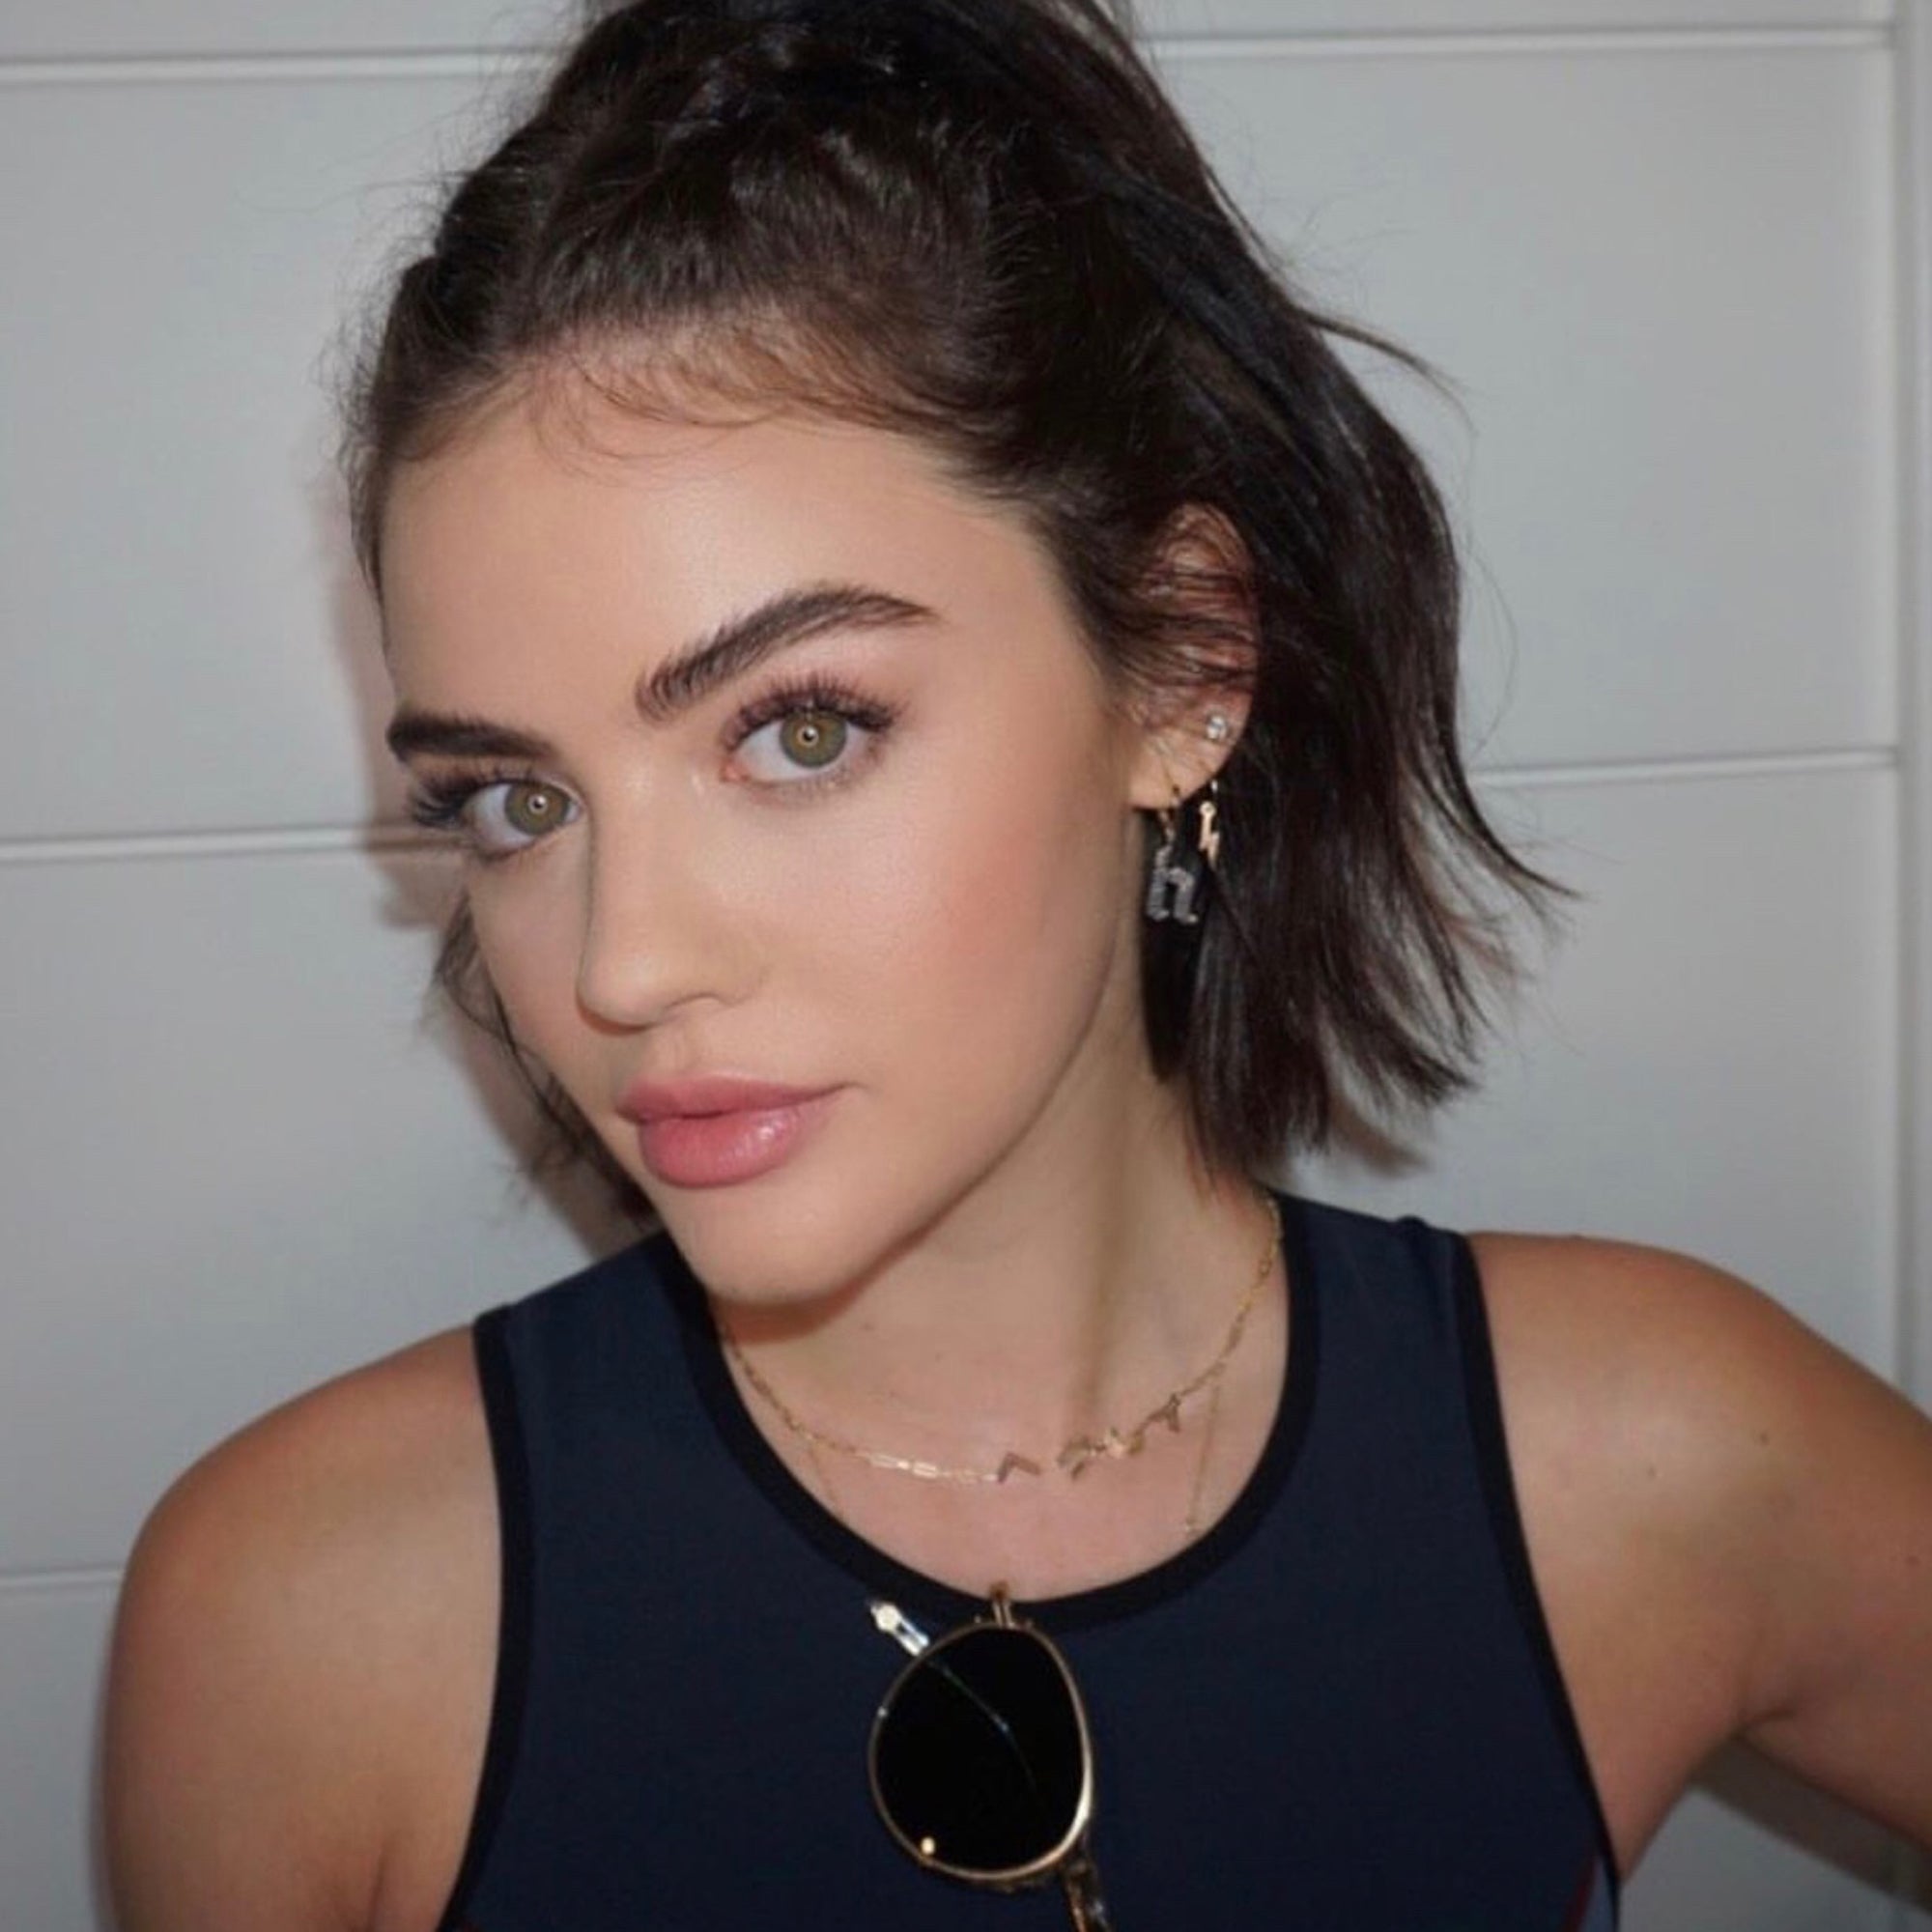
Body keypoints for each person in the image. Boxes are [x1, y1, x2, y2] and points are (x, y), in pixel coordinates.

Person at [102, 1, 1932, 1927]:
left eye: (801, 730)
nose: (622, 965)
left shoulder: (1652, 1462)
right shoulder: (305, 1621)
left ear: (1185, 666)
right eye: (516, 801)